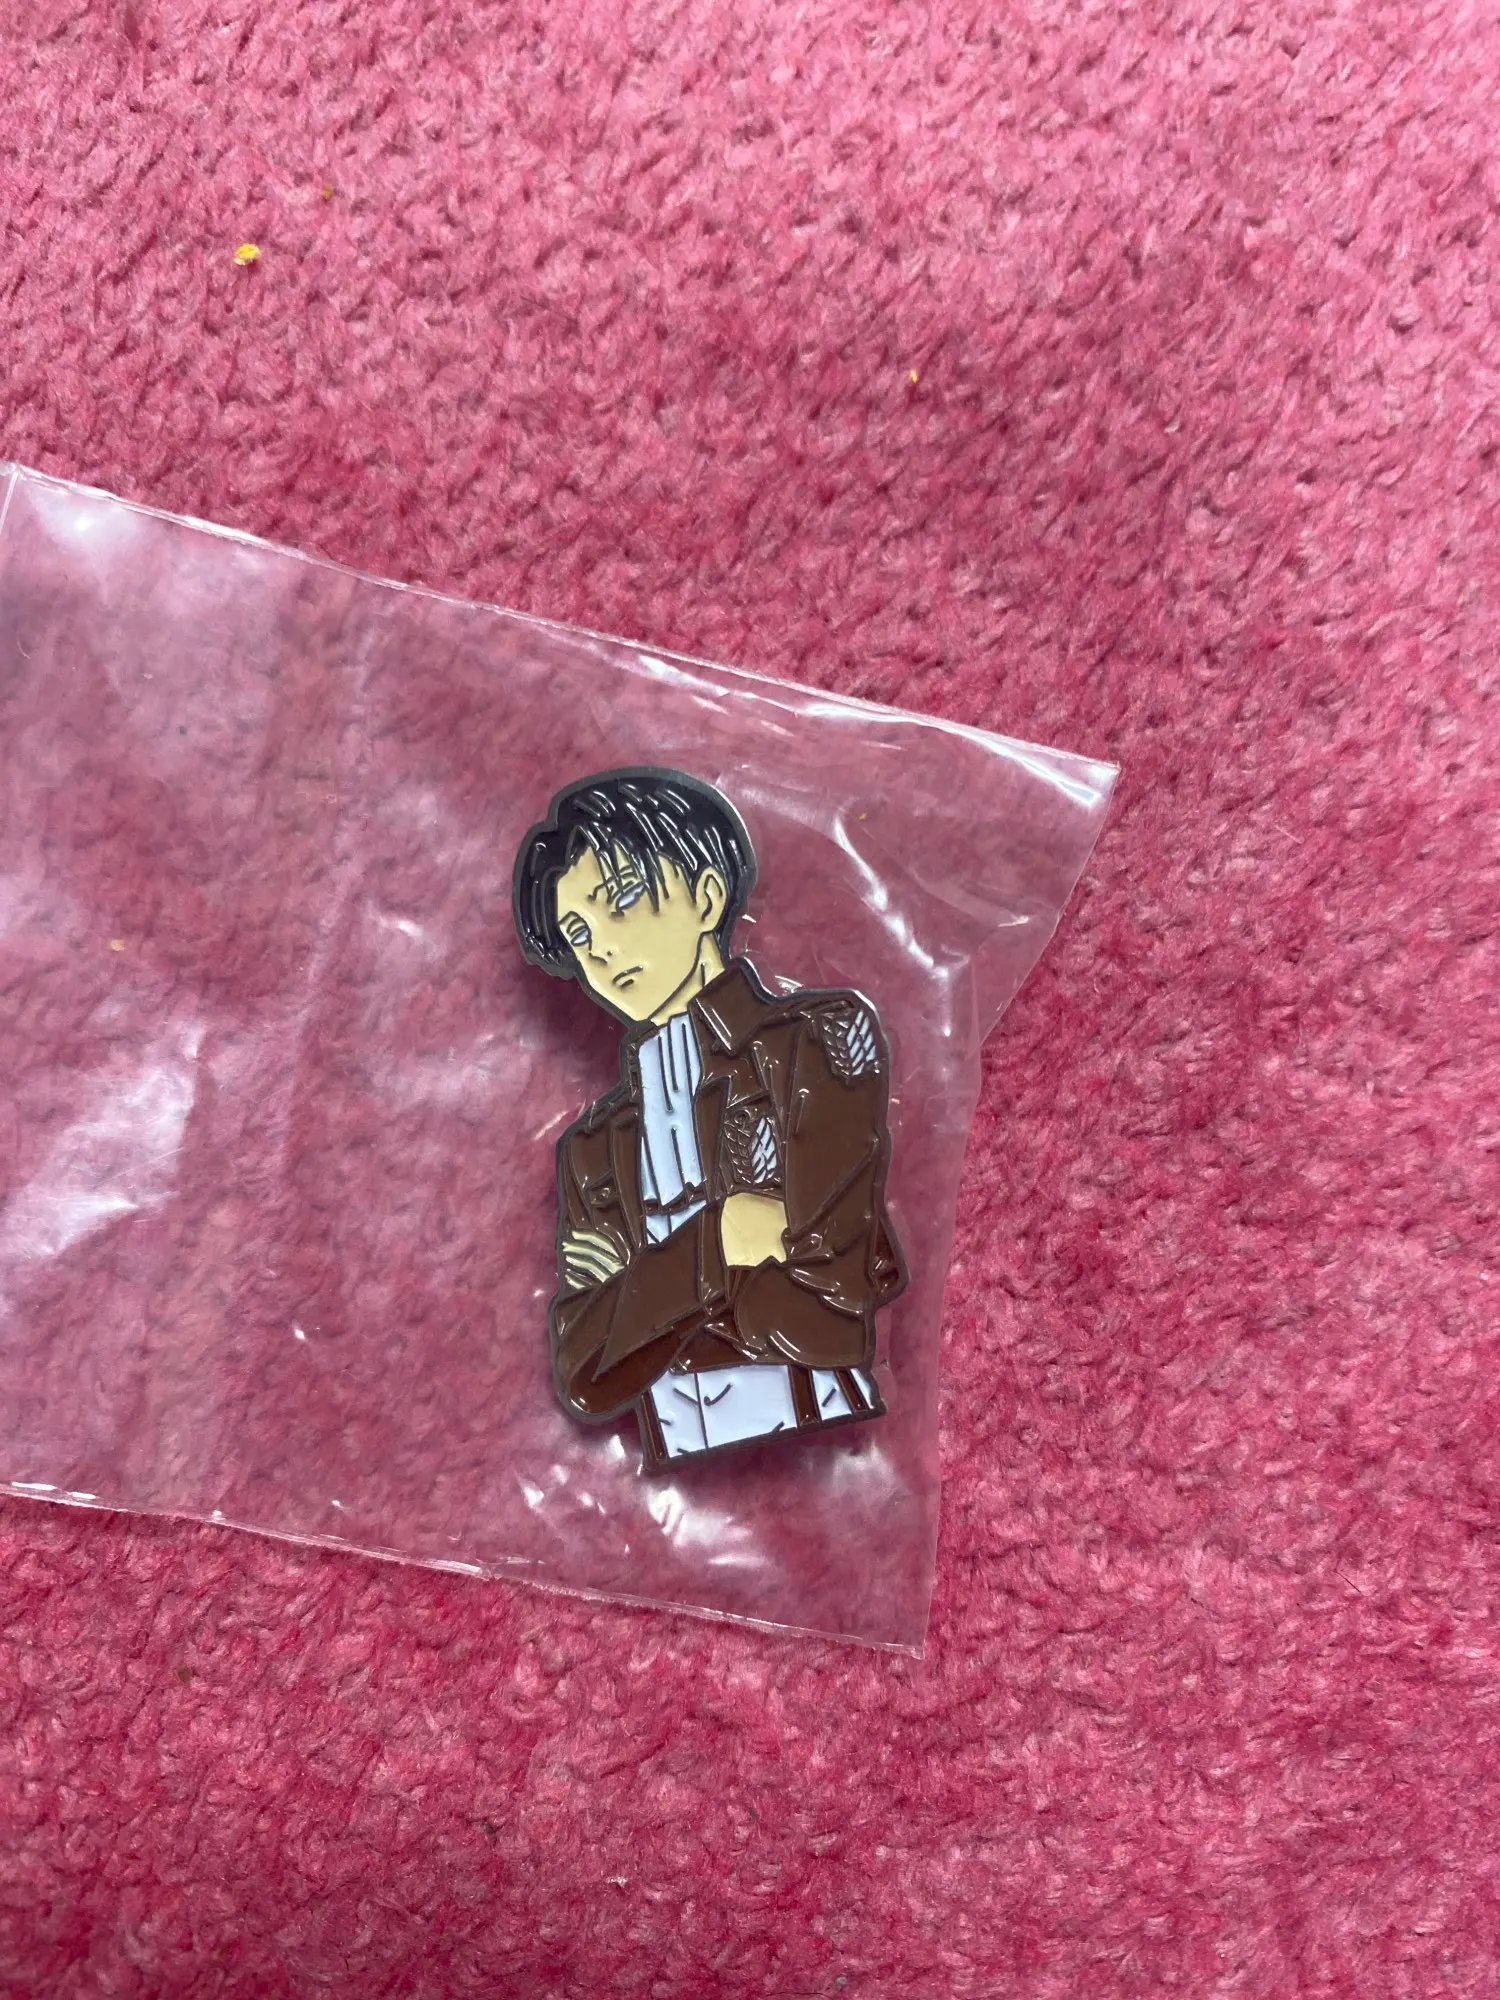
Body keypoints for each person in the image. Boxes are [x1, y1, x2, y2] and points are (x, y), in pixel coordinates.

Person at [512, 768, 906, 1469]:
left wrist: (638, 1293)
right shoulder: (594, 1146)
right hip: (670, 1459)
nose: (600, 948)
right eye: (578, 932)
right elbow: (583, 1368)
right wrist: (722, 1239)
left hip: (817, 1423)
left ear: (706, 895)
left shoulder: (813, 1042)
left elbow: (829, 1312)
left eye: (623, 900)